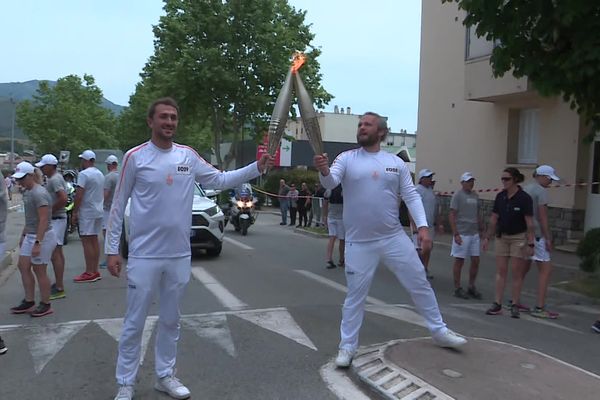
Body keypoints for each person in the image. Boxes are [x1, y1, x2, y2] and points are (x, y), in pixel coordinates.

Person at [105, 97, 273, 400]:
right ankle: (125, 383)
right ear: (151, 121)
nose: (169, 122)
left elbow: (220, 179)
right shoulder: (135, 157)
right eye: (163, 117)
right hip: (144, 254)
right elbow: (118, 206)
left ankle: (165, 375)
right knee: (134, 322)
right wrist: (112, 249)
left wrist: (255, 168)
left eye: (173, 118)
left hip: (179, 254)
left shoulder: (188, 156)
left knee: (171, 319)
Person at [314, 112, 466, 368]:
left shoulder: (395, 163)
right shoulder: (346, 159)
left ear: (381, 132)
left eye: (368, 125)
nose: (362, 128)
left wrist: (424, 228)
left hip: (393, 237)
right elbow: (330, 182)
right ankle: (347, 346)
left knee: (419, 282)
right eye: (360, 124)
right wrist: (323, 170)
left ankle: (439, 331)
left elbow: (411, 196)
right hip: (358, 243)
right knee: (355, 297)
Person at [483, 167, 535, 319]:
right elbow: (493, 219)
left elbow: (530, 223)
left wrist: (531, 243)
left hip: (518, 237)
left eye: (507, 179)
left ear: (515, 180)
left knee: (516, 272)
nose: (504, 182)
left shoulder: (524, 198)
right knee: (501, 271)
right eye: (502, 179)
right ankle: (497, 303)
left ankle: (514, 304)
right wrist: (487, 237)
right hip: (502, 237)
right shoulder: (500, 197)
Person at [9, 161, 57, 317]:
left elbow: (43, 220)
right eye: (18, 179)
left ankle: (45, 303)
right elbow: (30, 218)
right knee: (23, 266)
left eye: (22, 178)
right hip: (31, 234)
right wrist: (24, 235)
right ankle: (29, 301)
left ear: (30, 176)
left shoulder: (39, 193)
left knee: (39, 270)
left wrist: (38, 242)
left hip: (42, 235)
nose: (19, 182)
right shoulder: (28, 193)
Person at [522, 165, 560, 319]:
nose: (550, 182)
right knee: (546, 270)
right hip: (537, 234)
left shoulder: (526, 189)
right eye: (549, 178)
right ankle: (539, 306)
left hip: (524, 233)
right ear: (542, 176)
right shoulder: (541, 192)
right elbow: (543, 218)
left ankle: (514, 300)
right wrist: (548, 238)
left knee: (522, 268)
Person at [36, 154, 68, 300]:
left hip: (57, 219)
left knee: (55, 254)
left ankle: (60, 287)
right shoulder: (55, 178)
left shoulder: (54, 180)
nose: (42, 168)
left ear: (50, 166)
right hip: (58, 219)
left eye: (43, 166)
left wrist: (50, 211)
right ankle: (59, 284)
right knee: (58, 253)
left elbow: (63, 198)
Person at [448, 172, 483, 299]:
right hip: (462, 233)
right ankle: (457, 288)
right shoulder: (457, 196)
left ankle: (471, 286)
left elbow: (478, 213)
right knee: (459, 260)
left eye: (472, 181)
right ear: (462, 183)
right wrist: (455, 233)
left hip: (474, 233)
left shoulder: (475, 196)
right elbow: (452, 214)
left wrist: (481, 228)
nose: (471, 183)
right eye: (468, 181)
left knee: (476, 260)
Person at [72, 150, 105, 283]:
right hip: (98, 210)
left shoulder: (83, 174)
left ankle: (89, 271)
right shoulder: (100, 174)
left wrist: (75, 211)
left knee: (86, 241)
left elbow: (79, 194)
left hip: (87, 211)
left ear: (86, 161)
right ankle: (95, 270)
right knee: (94, 240)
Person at [412, 169, 443, 279]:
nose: (430, 179)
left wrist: (439, 224)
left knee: (429, 248)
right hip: (420, 226)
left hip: (430, 225)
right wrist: (415, 227)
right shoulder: (417, 190)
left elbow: (435, 209)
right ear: (422, 179)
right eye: (428, 177)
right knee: (421, 249)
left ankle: (423, 268)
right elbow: (411, 209)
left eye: (431, 177)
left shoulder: (430, 191)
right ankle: (417, 269)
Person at [101, 155, 119, 268]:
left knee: (107, 233)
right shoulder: (121, 176)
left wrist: (101, 203)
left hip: (108, 209)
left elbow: (106, 193)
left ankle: (109, 258)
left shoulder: (109, 177)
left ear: (109, 165)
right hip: (118, 208)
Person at [323, 184, 345, 269]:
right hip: (341, 218)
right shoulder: (344, 190)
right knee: (342, 239)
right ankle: (341, 259)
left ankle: (329, 258)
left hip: (331, 216)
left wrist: (324, 216)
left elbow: (325, 204)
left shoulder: (329, 189)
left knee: (332, 238)